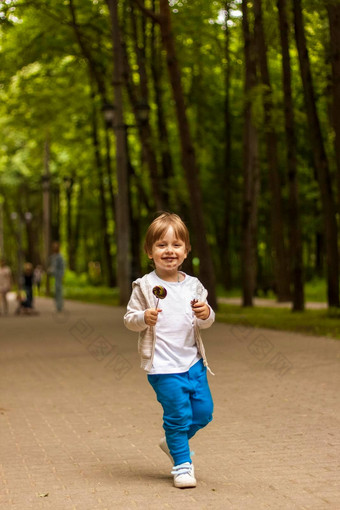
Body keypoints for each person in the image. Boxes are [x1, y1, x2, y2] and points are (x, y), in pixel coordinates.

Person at [124, 213, 215, 489]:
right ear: (150, 252)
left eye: (176, 245)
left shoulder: (194, 285)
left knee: (203, 412)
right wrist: (144, 317)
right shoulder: (145, 286)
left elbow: (207, 321)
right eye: (161, 245)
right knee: (177, 416)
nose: (169, 251)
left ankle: (173, 442)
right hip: (163, 367)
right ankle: (182, 466)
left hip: (193, 363)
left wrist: (206, 312)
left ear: (186, 251)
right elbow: (129, 320)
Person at [49, 242, 65, 312]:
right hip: (54, 276)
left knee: (59, 291)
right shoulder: (53, 257)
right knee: (56, 291)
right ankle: (57, 306)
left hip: (59, 276)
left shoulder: (60, 257)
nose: (55, 248)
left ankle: (59, 306)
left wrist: (62, 275)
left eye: (56, 247)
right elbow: (52, 266)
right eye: (54, 247)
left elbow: (62, 267)